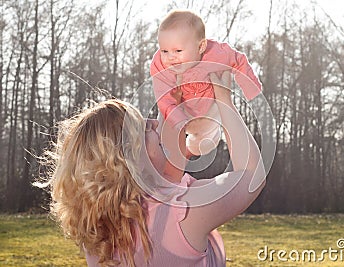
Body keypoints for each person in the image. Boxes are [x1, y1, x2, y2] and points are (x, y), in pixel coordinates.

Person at [37, 71, 266, 266]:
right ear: (131, 160)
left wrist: (172, 108)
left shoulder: (97, 231)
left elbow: (162, 175)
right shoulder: (184, 210)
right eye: (145, 128)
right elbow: (252, 176)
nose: (155, 124)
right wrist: (223, 98)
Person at [151, 10, 262, 157]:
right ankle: (161, 160)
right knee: (163, 127)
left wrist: (250, 88)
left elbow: (239, 60)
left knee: (205, 142)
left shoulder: (217, 53)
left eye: (178, 50)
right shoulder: (160, 65)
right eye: (164, 50)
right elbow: (163, 97)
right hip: (180, 107)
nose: (170, 57)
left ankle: (196, 147)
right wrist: (178, 121)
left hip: (208, 109)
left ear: (201, 46)